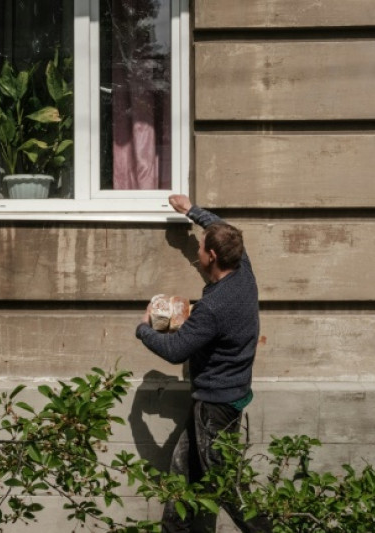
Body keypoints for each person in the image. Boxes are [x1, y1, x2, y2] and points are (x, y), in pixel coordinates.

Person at [136, 194, 272, 532]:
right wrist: (190, 211)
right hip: (226, 396)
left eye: (200, 249)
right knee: (182, 475)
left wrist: (144, 328)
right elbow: (219, 226)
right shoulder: (243, 271)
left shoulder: (213, 308)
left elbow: (176, 351)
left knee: (229, 489)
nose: (196, 252)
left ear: (212, 256)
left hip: (215, 407)